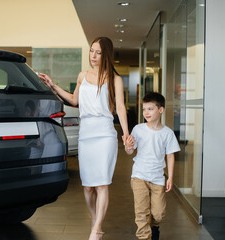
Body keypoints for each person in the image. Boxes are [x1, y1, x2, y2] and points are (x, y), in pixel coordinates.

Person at [38, 37, 129, 240]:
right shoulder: (82, 76)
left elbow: (120, 108)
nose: (93, 56)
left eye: (98, 52)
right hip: (86, 134)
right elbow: (73, 100)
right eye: (91, 51)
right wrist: (53, 86)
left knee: (102, 183)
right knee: (88, 186)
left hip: (105, 133)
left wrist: (125, 133)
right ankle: (95, 221)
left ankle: (96, 231)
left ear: (106, 55)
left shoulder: (115, 79)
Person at [125, 92, 180, 240]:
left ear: (160, 110)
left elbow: (170, 156)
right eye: (144, 109)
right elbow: (130, 151)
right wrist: (128, 146)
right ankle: (145, 236)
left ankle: (154, 226)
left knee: (159, 214)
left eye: (150, 109)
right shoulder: (138, 129)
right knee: (141, 212)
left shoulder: (168, 133)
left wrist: (170, 178)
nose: (146, 112)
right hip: (139, 175)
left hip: (157, 177)